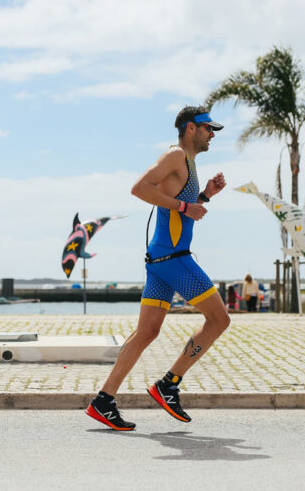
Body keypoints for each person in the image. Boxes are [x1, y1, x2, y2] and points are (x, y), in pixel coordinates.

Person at [85, 106, 231, 431]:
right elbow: (139, 188)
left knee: (147, 333)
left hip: (160, 261)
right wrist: (185, 205)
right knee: (220, 319)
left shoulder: (189, 163)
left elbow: (179, 210)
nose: (213, 135)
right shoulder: (176, 156)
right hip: (175, 259)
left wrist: (205, 194)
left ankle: (103, 401)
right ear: (191, 128)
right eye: (209, 129)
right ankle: (169, 384)